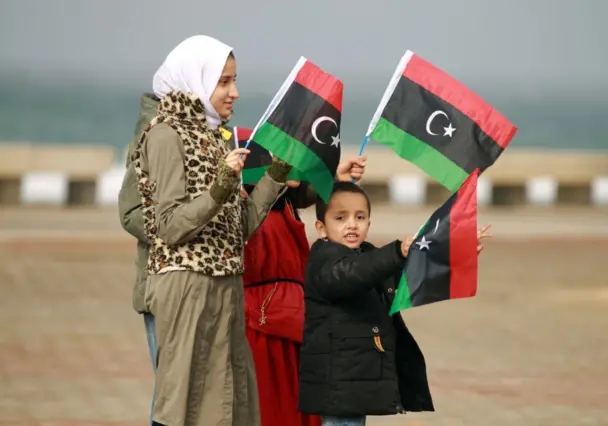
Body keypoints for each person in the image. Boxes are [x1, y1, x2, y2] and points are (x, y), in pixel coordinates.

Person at [131, 35, 293, 426]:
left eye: (233, 80)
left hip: (225, 285)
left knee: (230, 407)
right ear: (195, 80)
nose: (234, 92)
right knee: (182, 406)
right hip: (187, 285)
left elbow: (238, 229)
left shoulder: (212, 134)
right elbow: (168, 225)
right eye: (223, 82)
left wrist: (276, 175)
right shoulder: (165, 134)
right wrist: (220, 187)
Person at [298, 182, 491, 425]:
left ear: (369, 224)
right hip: (337, 380)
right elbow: (351, 275)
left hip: (356, 376)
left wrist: (457, 254)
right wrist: (397, 251)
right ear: (321, 228)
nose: (351, 224)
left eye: (360, 217)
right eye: (340, 217)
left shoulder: (368, 254)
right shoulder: (324, 259)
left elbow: (411, 276)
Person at [242, 159, 366, 426]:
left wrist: (334, 178)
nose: (293, 165)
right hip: (262, 328)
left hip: (292, 321)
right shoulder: (251, 213)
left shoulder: (283, 204)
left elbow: (300, 190)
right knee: (272, 409)